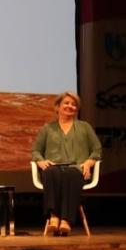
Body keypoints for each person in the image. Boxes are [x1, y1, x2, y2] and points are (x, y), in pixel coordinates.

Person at [31, 91, 102, 236]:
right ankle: (54, 217)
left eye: (74, 104)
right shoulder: (47, 128)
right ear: (57, 107)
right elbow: (36, 151)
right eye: (66, 103)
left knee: (70, 173)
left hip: (77, 168)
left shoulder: (85, 127)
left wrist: (88, 163)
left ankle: (66, 221)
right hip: (54, 168)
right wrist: (41, 161)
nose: (70, 106)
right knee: (50, 172)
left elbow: (97, 149)